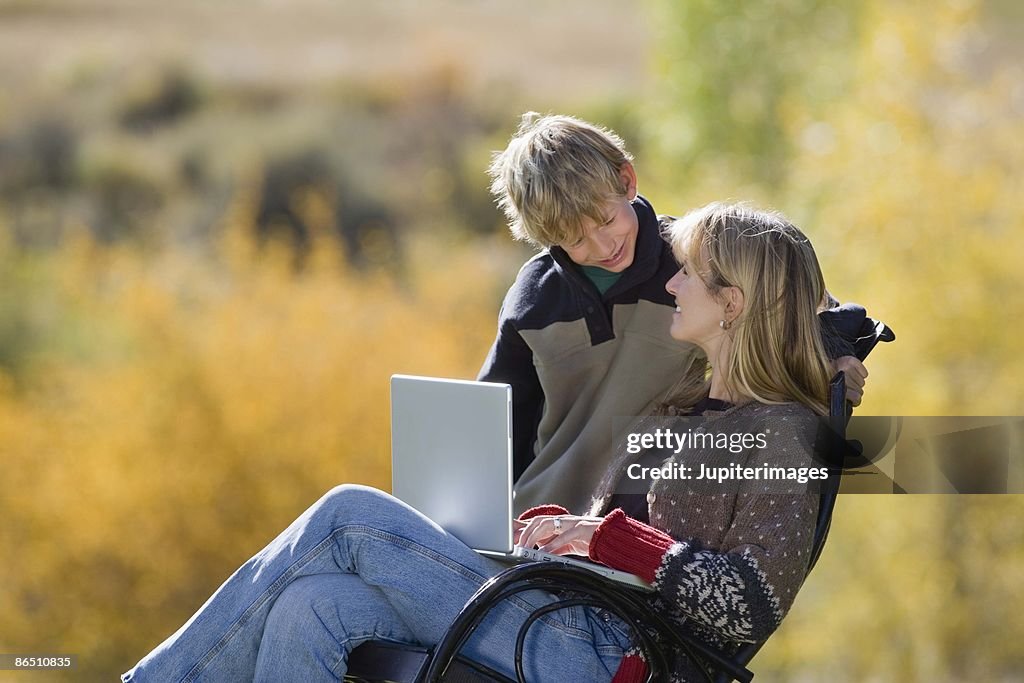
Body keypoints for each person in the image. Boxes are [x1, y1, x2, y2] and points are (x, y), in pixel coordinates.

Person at [122, 202, 847, 683]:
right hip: (558, 609)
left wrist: (605, 538)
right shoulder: (686, 405)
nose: (674, 281)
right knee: (312, 603)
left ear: (733, 302)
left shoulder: (777, 431)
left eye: (689, 271)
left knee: (347, 513)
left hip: (611, 653)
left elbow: (749, 602)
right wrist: (561, 539)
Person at [479, 112, 868, 515]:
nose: (601, 246)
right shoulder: (532, 297)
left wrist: (833, 355)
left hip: (654, 517)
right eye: (575, 240)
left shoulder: (696, 263)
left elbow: (801, 307)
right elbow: (496, 422)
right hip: (542, 520)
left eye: (607, 221)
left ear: (627, 181)